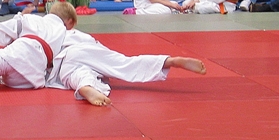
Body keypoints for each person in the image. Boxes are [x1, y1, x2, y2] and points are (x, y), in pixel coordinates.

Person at [47, 29, 206, 106]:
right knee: (125, 64)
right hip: (86, 51)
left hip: (64, 62)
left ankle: (85, 86)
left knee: (76, 76)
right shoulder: (81, 36)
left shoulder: (54, 34)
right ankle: (168, 61)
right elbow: (105, 54)